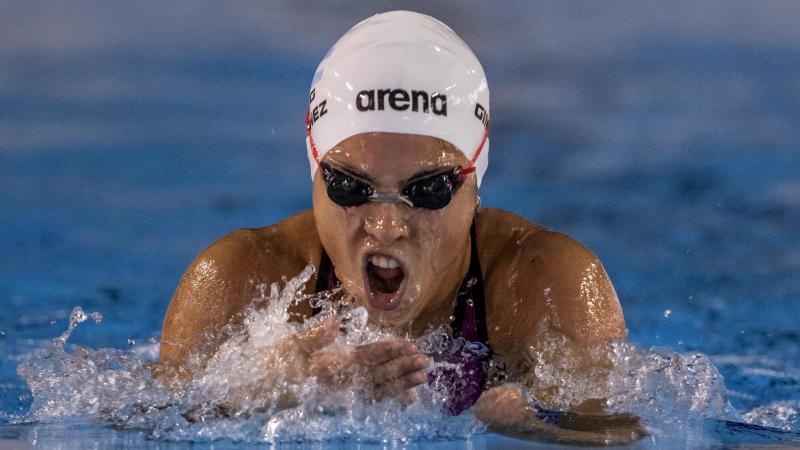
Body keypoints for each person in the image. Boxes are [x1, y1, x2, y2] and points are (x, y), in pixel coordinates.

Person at [158, 10, 641, 444]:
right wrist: (261, 389)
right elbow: (133, 426)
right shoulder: (242, 278)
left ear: (474, 181)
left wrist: (537, 425)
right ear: (315, 172)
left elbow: (634, 434)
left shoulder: (544, 284)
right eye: (350, 186)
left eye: (428, 190)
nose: (387, 226)